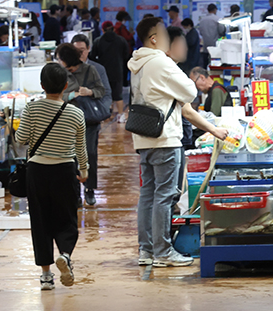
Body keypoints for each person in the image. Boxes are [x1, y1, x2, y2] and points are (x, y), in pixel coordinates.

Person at [128, 17, 203, 268]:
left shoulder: (137, 62)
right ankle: (163, 251)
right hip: (164, 138)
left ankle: (146, 250)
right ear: (153, 39)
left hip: (143, 136)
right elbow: (190, 91)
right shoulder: (159, 61)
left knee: (148, 195)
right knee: (164, 195)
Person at [16, 63, 89, 291]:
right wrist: (84, 171)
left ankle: (46, 276)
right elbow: (81, 147)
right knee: (66, 219)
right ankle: (65, 255)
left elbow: (21, 139)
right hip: (65, 171)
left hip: (37, 172)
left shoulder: (31, 109)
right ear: (66, 86)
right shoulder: (76, 113)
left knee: (40, 222)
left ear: (41, 86)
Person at [166, 26, 228, 205]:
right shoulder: (168, 71)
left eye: (194, 83)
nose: (195, 88)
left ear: (202, 78)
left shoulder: (216, 91)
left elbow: (212, 115)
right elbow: (186, 110)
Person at [55, 42, 107, 207]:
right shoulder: (60, 73)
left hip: (89, 120)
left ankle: (89, 189)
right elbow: (56, 95)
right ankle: (74, 192)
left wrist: (90, 92)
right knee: (70, 157)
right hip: (68, 120)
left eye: (60, 59)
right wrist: (73, 95)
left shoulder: (90, 70)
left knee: (90, 154)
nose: (58, 62)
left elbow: (101, 91)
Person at [91, 20, 131, 123]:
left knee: (105, 94)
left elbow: (92, 57)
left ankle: (106, 114)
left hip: (103, 71)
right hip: (118, 70)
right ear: (113, 29)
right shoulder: (121, 40)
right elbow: (126, 54)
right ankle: (120, 115)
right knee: (118, 94)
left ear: (102, 30)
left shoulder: (98, 41)